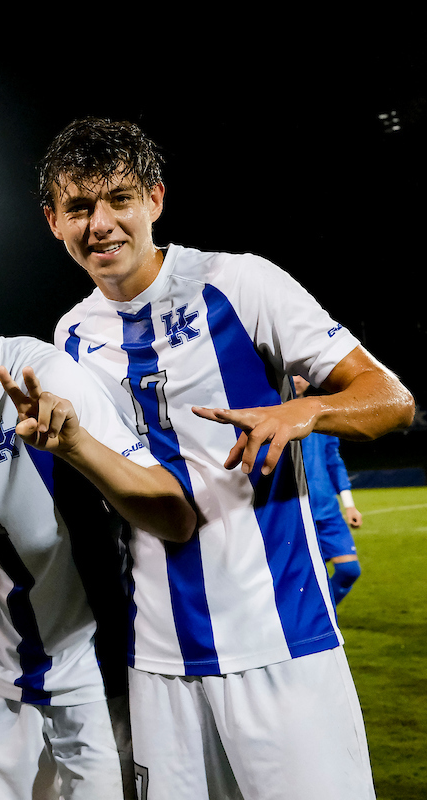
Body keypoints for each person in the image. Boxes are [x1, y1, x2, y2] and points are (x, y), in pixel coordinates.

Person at [42, 117, 415, 800]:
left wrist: (305, 411)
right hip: (157, 661)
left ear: (155, 199)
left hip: (281, 642)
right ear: (54, 221)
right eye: (80, 207)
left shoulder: (240, 283)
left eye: (120, 199)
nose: (100, 224)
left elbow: (390, 398)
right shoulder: (71, 336)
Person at [0, 229, 195, 800]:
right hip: (0, 684)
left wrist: (78, 448)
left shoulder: (46, 377)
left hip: (97, 684)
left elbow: (175, 516)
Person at [293, 376, 363, 607]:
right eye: (291, 372)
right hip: (294, 512)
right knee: (303, 577)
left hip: (328, 511)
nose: (297, 378)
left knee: (349, 570)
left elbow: (333, 461)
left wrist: (349, 505)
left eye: (300, 372)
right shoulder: (272, 412)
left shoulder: (322, 413)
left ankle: (319, 613)